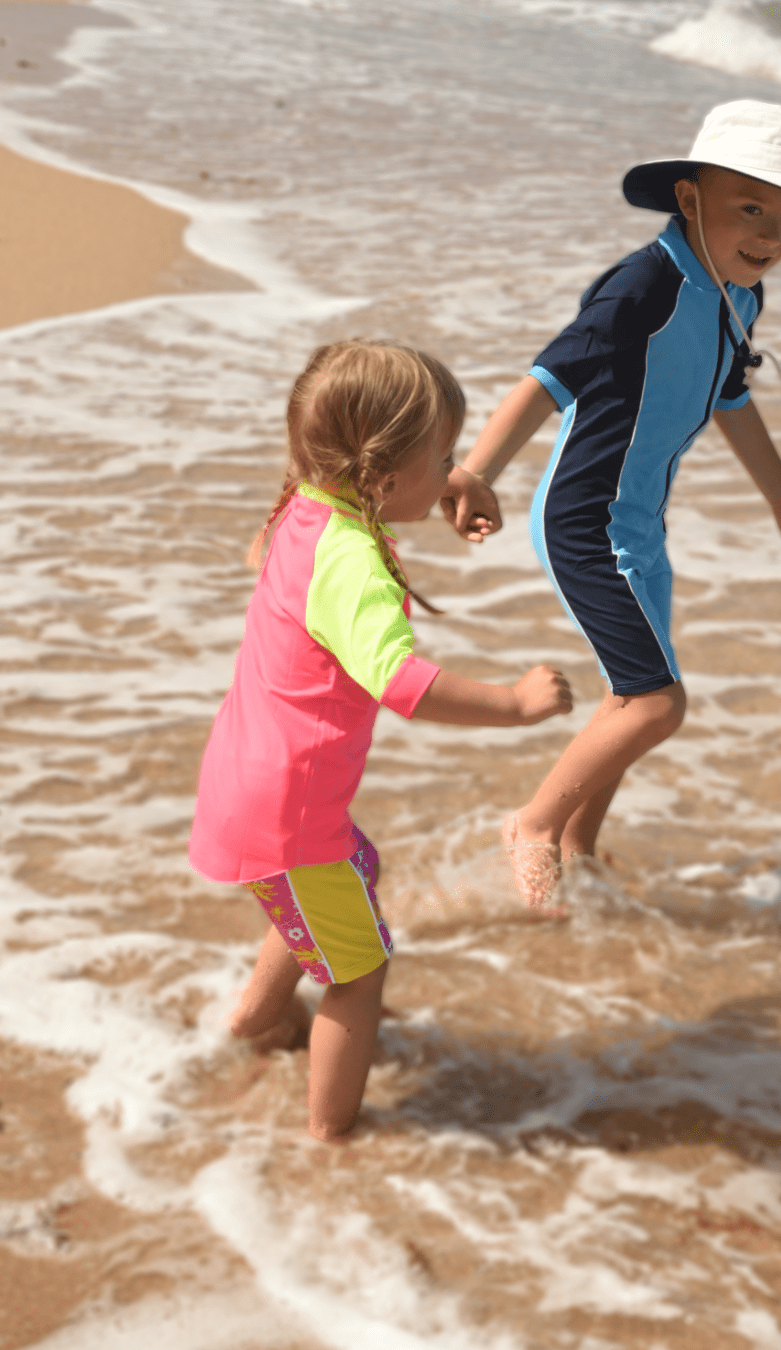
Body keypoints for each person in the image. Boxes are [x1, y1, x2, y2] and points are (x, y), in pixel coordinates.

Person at [440, 100, 781, 907]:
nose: (773, 235)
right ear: (688, 199)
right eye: (751, 208)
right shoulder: (646, 285)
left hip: (639, 525)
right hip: (584, 519)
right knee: (656, 703)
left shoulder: (739, 297)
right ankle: (535, 826)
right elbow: (547, 378)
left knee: (630, 697)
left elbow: (730, 401)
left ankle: (582, 849)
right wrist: (477, 471)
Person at [188, 340, 572, 1142]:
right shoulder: (353, 562)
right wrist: (512, 704)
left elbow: (381, 495)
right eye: (443, 458)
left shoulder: (310, 505)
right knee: (360, 974)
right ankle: (331, 1136)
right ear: (383, 478)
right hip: (288, 810)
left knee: (359, 867)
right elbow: (399, 683)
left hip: (252, 785)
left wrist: (443, 483)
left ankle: (255, 1017)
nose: (453, 470)